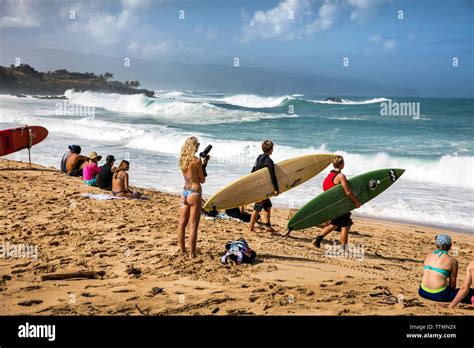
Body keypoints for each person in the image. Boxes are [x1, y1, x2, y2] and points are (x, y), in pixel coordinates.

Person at [312, 155, 361, 248]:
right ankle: (344, 247)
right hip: (339, 205)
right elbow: (348, 192)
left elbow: (326, 189)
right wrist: (356, 202)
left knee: (334, 224)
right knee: (345, 226)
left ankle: (317, 240)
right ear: (342, 164)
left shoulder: (329, 176)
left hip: (332, 204)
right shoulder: (341, 176)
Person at [176, 137, 210, 258]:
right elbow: (202, 179)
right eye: (197, 145)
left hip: (184, 192)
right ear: (194, 147)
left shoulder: (182, 160)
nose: (198, 147)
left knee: (181, 224)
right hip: (195, 193)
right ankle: (192, 254)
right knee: (193, 226)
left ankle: (182, 251)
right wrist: (205, 164)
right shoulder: (196, 161)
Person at [418, 234, 472, 304]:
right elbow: (452, 285)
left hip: (422, 291)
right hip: (439, 295)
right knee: (468, 291)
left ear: (436, 244)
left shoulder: (429, 255)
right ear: (450, 245)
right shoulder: (452, 261)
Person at [247, 140, 280, 233]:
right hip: (262, 189)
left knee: (268, 206)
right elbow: (273, 176)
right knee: (257, 208)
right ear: (271, 149)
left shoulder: (259, 157)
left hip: (259, 186)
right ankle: (250, 228)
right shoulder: (269, 161)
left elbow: (253, 171)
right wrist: (276, 189)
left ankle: (268, 226)